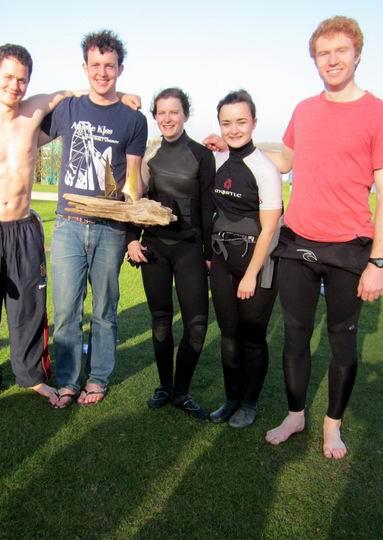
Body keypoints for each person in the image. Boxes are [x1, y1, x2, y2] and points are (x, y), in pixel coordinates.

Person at [264, 16, 383, 458]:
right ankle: (295, 414)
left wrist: (378, 263)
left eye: (341, 51)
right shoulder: (304, 110)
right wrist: (234, 147)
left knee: (342, 339)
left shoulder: (382, 114)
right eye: (324, 53)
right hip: (299, 242)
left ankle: (331, 426)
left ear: (357, 53)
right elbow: (284, 162)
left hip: (350, 249)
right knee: (296, 335)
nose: (333, 60)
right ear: (314, 60)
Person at [0, 44, 83, 408]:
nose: (15, 85)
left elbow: (70, 93)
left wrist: (124, 96)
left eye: (22, 79)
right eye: (7, 77)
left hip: (24, 229)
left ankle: (32, 376)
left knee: (29, 308)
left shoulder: (33, 111)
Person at [45, 30, 148, 408]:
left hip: (110, 229)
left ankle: (98, 378)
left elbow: (133, 175)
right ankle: (69, 380)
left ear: (120, 68)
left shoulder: (133, 119)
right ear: (85, 68)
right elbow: (26, 131)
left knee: (105, 310)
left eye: (109, 66)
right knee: (66, 310)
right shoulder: (67, 110)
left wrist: (133, 216)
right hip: (68, 224)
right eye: (95, 65)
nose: (102, 72)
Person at [125, 88, 214, 420]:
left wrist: (209, 254)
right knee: (161, 320)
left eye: (173, 112)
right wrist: (132, 240)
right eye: (161, 112)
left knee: (197, 325)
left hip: (190, 249)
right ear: (155, 116)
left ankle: (182, 391)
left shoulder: (202, 156)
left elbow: (208, 208)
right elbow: (135, 201)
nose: (167, 118)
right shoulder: (149, 156)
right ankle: (165, 386)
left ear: (185, 114)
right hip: (156, 249)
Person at [207, 90, 283, 428]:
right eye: (226, 122)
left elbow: (269, 229)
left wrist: (251, 274)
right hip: (223, 262)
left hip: (258, 264)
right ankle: (231, 399)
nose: (234, 129)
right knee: (227, 334)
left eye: (241, 121)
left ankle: (250, 403)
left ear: (254, 122)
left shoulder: (265, 168)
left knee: (252, 336)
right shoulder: (220, 159)